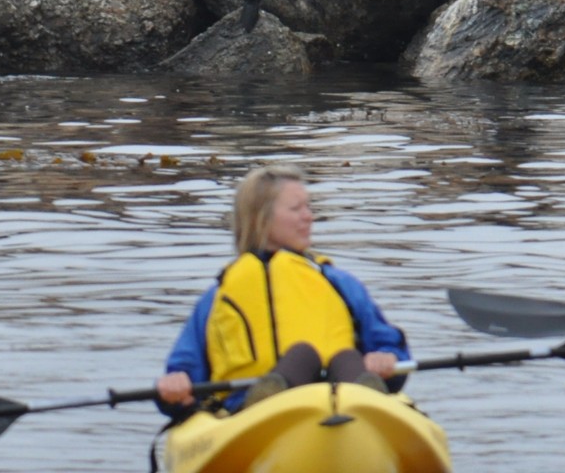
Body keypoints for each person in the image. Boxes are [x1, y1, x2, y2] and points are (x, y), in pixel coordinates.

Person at [155, 166, 411, 412]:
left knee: (345, 358)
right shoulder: (219, 297)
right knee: (302, 355)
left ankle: (365, 406)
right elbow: (184, 371)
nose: (308, 216)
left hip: (341, 403)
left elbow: (391, 347)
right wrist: (176, 384)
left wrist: (386, 358)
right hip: (252, 416)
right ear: (261, 217)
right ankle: (270, 398)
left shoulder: (339, 284)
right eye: (296, 208)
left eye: (308, 207)